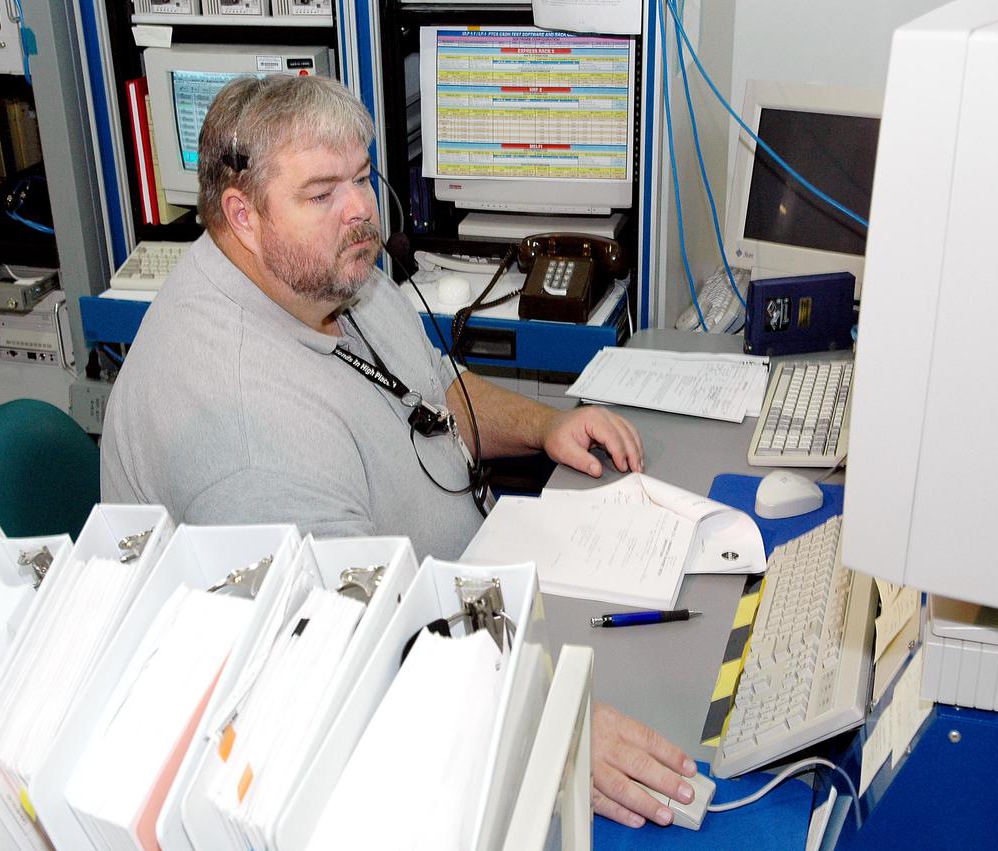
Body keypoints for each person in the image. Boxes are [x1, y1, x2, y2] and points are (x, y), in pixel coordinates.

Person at [100, 74, 698, 828]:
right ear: (242, 215)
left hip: (464, 609)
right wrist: (556, 720)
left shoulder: (329, 275)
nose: (359, 212)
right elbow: (348, 654)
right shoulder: (242, 423)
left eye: (361, 177)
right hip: (373, 700)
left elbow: (434, 397)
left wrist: (544, 425)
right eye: (321, 193)